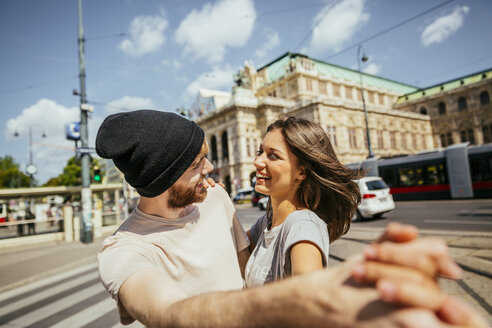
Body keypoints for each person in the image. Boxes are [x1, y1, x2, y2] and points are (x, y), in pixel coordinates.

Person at [96, 109, 485, 328]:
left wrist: (321, 292)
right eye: (198, 163)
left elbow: (252, 269)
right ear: (164, 176)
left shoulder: (216, 201)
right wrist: (299, 301)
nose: (212, 168)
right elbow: (169, 314)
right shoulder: (123, 250)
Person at [246, 117, 361, 286]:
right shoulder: (266, 223)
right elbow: (234, 252)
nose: (257, 161)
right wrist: (217, 198)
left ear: (301, 172)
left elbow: (309, 299)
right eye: (260, 152)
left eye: (273, 156)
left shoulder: (303, 227)